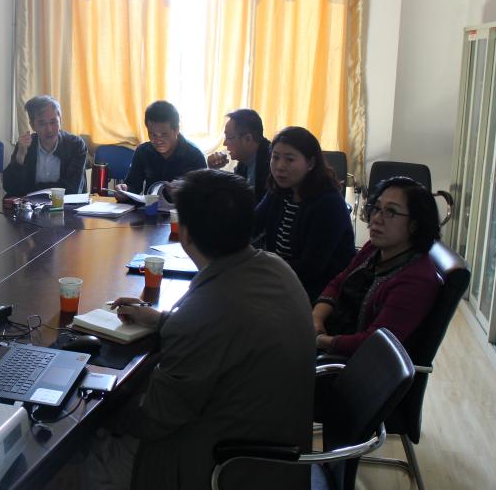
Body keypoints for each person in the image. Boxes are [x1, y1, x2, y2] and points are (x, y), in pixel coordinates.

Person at [83, 170, 314, 490]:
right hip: (276, 454)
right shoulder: (275, 267)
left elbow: (154, 421)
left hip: (222, 467)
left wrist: (97, 409)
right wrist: (161, 320)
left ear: (186, 234)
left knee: (85, 455)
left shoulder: (204, 312)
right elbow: (227, 329)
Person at [313, 176, 442, 355]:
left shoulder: (416, 281)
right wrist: (316, 320)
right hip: (326, 339)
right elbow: (338, 283)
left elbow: (374, 344)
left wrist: (321, 340)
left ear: (415, 224)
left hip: (349, 363)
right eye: (376, 208)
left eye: (391, 212)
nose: (376, 219)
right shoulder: (374, 248)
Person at [253, 126, 355, 302]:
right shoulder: (279, 191)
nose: (279, 166)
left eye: (289, 159)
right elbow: (252, 225)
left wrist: (260, 270)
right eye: (275, 157)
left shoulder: (328, 203)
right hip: (282, 282)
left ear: (311, 164)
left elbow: (310, 268)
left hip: (319, 296)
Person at [116, 100, 206, 197]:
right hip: (150, 206)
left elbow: (203, 196)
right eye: (152, 134)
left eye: (164, 134)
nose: (158, 141)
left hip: (181, 206)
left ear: (176, 130)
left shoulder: (194, 155)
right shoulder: (143, 151)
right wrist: (124, 191)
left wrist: (182, 192)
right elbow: (133, 186)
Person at [2, 95, 88, 196]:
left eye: (53, 122)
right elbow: (10, 188)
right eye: (42, 123)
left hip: (66, 204)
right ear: (32, 125)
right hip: (31, 205)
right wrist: (20, 156)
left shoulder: (75, 145)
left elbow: (72, 189)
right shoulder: (25, 145)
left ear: (60, 120)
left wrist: (31, 189)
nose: (49, 129)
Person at [207, 108, 271, 202]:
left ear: (247, 139)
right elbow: (233, 192)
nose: (224, 143)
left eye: (229, 137)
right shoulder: (245, 160)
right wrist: (214, 170)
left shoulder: (270, 162)